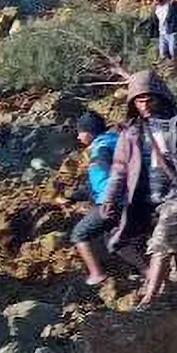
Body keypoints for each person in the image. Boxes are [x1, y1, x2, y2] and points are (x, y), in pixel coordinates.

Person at [98, 70, 177, 306]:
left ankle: (150, 297)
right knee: (173, 244)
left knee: (162, 240)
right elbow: (119, 169)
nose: (144, 105)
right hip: (146, 199)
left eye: (149, 99)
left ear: (161, 96)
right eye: (139, 100)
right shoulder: (131, 131)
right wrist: (109, 199)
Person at [70, 110, 122, 287]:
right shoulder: (116, 141)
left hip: (113, 201)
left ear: (89, 132)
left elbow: (105, 181)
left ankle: (96, 274)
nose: (78, 137)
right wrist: (74, 197)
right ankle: (147, 272)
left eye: (80, 132)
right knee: (116, 240)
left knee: (79, 234)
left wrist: (108, 201)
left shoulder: (100, 150)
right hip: (134, 198)